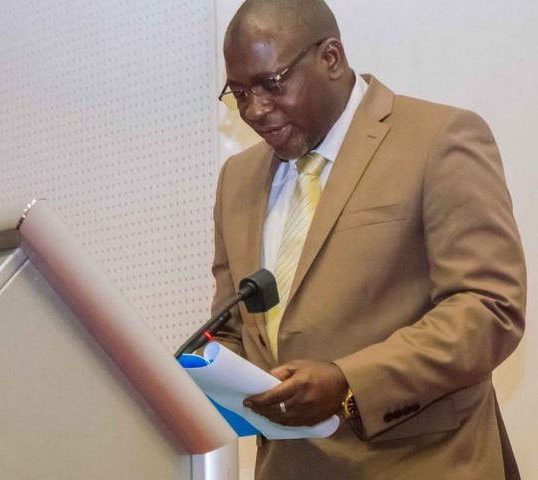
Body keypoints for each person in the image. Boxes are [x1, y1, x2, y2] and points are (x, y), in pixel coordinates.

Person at [210, 1, 526, 478]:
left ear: (331, 58)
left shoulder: (439, 139)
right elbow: (232, 327)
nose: (254, 110)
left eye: (272, 84)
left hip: (423, 465)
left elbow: (488, 309)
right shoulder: (237, 178)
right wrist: (206, 372)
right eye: (239, 93)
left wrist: (349, 382)